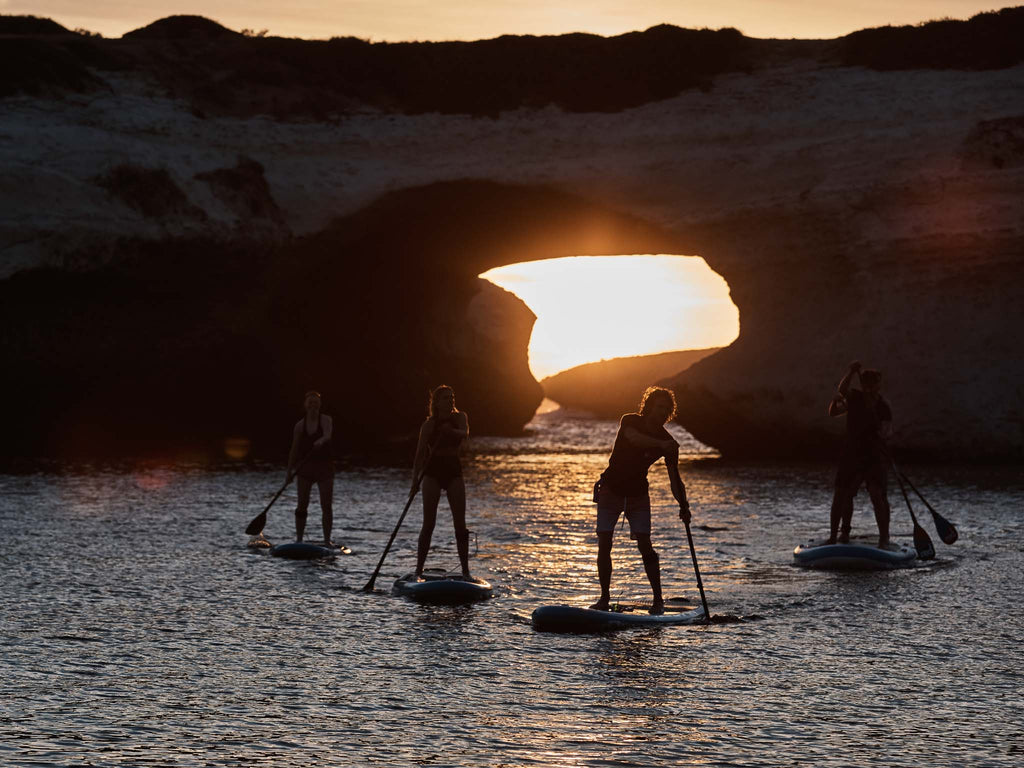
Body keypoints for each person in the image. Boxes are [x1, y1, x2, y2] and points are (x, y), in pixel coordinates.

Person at [591, 386, 691, 615]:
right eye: (658, 407)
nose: (662, 413)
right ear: (648, 407)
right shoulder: (630, 421)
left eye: (667, 409)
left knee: (645, 545)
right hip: (610, 490)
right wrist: (661, 446)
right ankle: (604, 599)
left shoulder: (668, 442)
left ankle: (658, 601)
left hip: (637, 495)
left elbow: (675, 480)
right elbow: (633, 439)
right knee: (605, 542)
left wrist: (683, 506)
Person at [826, 361, 892, 546]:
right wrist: (852, 371)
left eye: (874, 384)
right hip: (852, 454)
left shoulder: (883, 406)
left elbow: (888, 430)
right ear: (863, 385)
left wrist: (883, 433)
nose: (870, 387)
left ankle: (884, 538)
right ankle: (837, 536)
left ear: (878, 385)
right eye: (867, 384)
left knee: (877, 495)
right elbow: (842, 389)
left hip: (874, 455)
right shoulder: (855, 397)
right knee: (842, 494)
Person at [411, 385, 471, 578]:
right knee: (429, 524)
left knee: (460, 525)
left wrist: (451, 432)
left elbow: (465, 433)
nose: (450, 400)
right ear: (436, 402)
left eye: (452, 397)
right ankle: (418, 570)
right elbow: (420, 455)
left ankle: (465, 571)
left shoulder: (460, 417)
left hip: (453, 471)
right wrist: (414, 482)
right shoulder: (429, 425)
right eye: (445, 398)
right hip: (432, 473)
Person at [286, 390, 334, 545]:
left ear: (319, 405)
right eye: (310, 403)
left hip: (324, 469)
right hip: (305, 469)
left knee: (326, 505)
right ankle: (299, 540)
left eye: (316, 403)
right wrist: (289, 472)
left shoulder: (326, 420)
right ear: (305, 405)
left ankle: (327, 540)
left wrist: (321, 440)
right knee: (302, 505)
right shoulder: (300, 426)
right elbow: (294, 450)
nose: (313, 405)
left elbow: (328, 434)